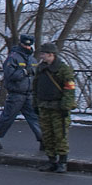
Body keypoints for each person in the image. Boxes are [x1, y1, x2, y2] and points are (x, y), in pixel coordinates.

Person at [0, 34, 43, 150]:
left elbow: (36, 76)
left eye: (29, 45)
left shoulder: (32, 59)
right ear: (21, 44)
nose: (27, 47)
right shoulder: (13, 57)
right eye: (25, 45)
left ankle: (42, 140)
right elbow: (9, 75)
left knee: (35, 118)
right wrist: (24, 72)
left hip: (29, 94)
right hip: (16, 94)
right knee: (8, 118)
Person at [34, 42, 76, 174]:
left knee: (60, 135)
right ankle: (51, 161)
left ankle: (62, 162)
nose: (41, 56)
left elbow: (69, 89)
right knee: (47, 135)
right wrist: (34, 103)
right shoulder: (41, 68)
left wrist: (65, 106)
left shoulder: (63, 69)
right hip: (44, 106)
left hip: (58, 107)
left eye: (43, 54)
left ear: (51, 55)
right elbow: (35, 87)